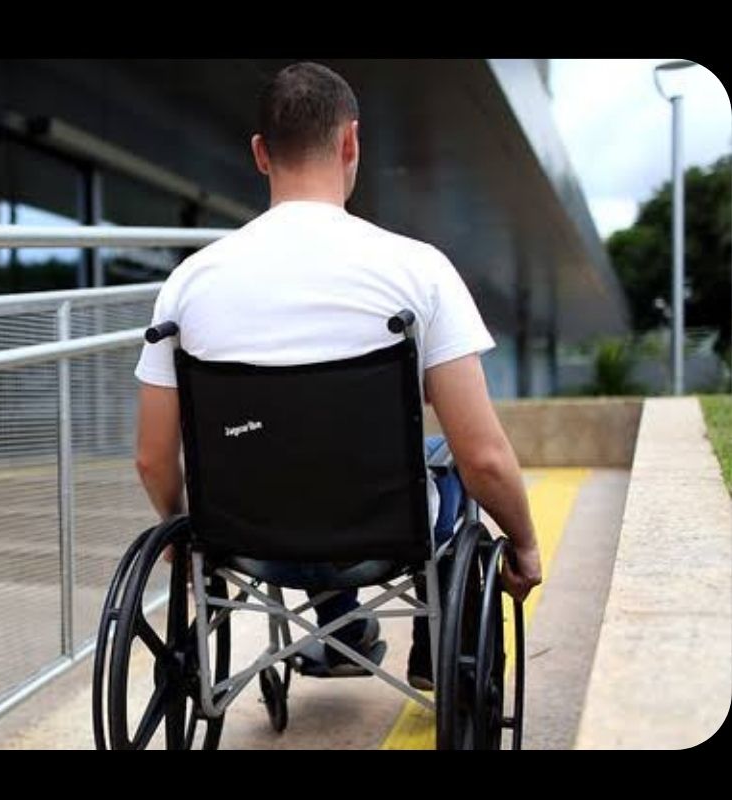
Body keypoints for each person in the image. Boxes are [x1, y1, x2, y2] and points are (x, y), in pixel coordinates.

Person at [133, 61, 543, 689]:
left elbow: (152, 458)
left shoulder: (187, 285)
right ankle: (436, 652)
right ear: (351, 141)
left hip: (245, 537)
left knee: (289, 459)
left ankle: (343, 634)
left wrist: (180, 531)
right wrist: (524, 543)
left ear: (260, 154)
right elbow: (485, 457)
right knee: (449, 461)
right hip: (384, 534)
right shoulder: (419, 270)